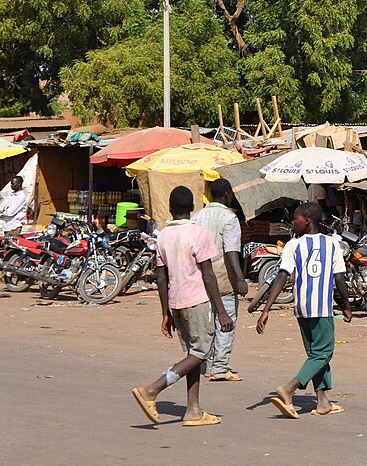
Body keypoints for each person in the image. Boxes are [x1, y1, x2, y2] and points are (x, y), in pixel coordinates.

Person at [131, 187, 234, 427]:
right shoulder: (198, 233)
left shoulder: (164, 235)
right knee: (201, 353)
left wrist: (165, 312)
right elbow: (208, 274)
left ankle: (193, 410)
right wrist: (221, 311)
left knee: (192, 356)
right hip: (197, 301)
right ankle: (152, 389)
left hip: (176, 302)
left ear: (169, 208)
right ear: (192, 208)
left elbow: (160, 277)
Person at [257, 202, 352, 418]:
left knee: (315, 354)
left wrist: (266, 308)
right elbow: (339, 278)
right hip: (322, 307)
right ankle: (289, 388)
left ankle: (323, 402)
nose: (293, 222)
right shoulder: (333, 244)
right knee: (324, 353)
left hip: (301, 307)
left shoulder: (293, 245)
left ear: (307, 221)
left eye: (295, 218)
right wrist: (346, 306)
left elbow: (282, 276)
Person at [192, 178, 247, 382]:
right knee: (226, 321)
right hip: (223, 277)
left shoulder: (198, 216)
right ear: (228, 195)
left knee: (209, 322)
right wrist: (240, 278)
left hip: (201, 278)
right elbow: (231, 251)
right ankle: (220, 368)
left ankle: (209, 363)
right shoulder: (229, 218)